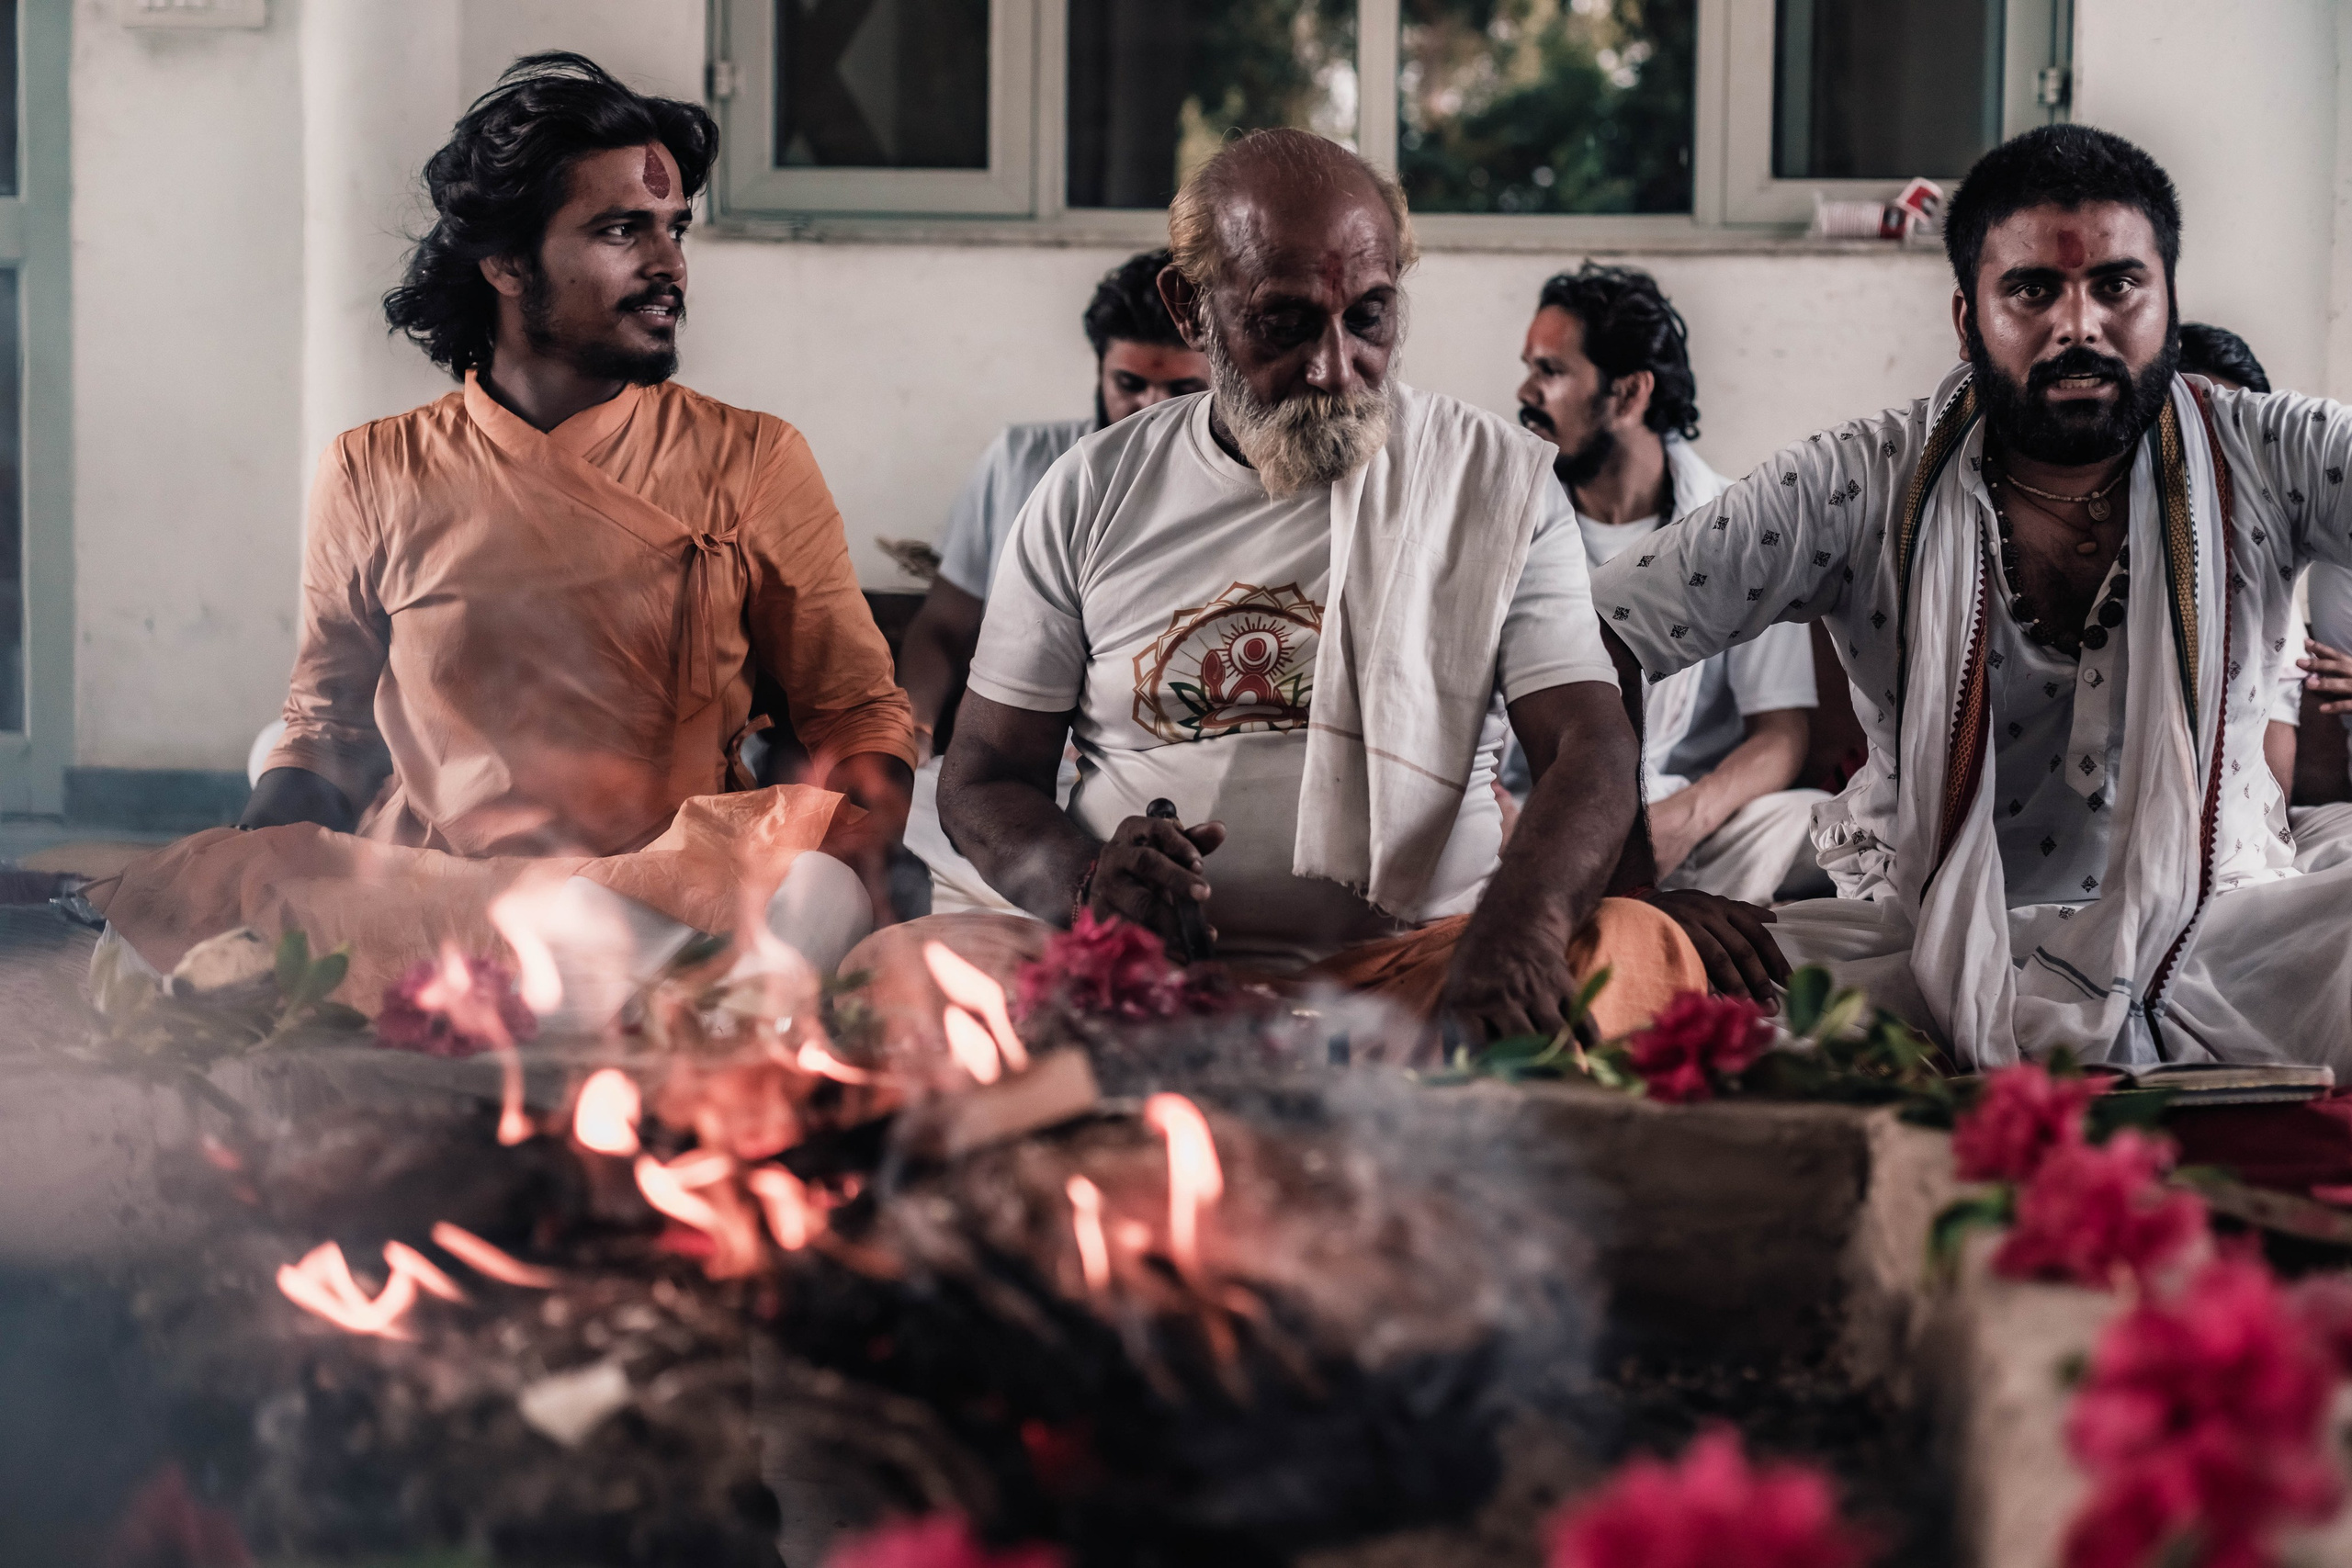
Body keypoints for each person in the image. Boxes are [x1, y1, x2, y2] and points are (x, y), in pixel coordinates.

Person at [92, 54, 915, 1020]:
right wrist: (250, 869)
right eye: (620, 231)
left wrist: (865, 855)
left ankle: (655, 1007)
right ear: (506, 261)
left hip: (667, 894)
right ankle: (642, 1016)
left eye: (673, 230)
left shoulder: (753, 459)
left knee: (818, 894)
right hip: (438, 895)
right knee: (156, 924)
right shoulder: (376, 469)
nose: (668, 266)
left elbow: (855, 711)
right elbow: (323, 732)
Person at [848, 129, 1713, 1048]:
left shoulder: (1491, 483)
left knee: (1635, 952)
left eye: (1370, 317)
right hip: (1130, 977)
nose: (1335, 367)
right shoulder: (1089, 490)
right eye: (1285, 321)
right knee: (898, 979)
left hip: (1423, 969)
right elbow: (985, 776)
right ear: (1190, 309)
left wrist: (1520, 927)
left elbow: (1588, 742)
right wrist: (1088, 888)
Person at [1591, 123, 2352, 1066]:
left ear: (2165, 301)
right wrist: (1633, 891)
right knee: (1630, 987)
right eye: (2033, 289)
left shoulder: (2273, 453)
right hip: (1924, 949)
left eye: (2116, 285)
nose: (2079, 327)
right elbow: (1590, 638)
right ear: (1968, 319)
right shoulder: (1859, 480)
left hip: (2221, 937)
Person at [896, 251, 1209, 914]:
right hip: (1020, 781)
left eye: (1181, 391)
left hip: (1156, 782)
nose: (1148, 409)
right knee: (902, 825)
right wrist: (911, 734)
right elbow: (946, 628)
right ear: (1098, 370)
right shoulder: (1026, 465)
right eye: (1129, 384)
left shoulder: (1241, 493)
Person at [1515, 262, 1826, 905]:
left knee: (1818, 825)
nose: (1525, 391)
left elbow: (1782, 735)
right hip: (1534, 823)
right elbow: (1466, 739)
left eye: (1551, 371)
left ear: (1629, 396)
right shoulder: (1504, 524)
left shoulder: (1743, 528)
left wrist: (1686, 818)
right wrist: (1522, 831)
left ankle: (1648, 915)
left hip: (1691, 827)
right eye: (1530, 367)